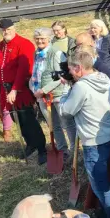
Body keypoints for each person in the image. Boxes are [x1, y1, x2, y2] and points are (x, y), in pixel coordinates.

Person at [59, 47, 110, 218]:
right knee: (102, 179)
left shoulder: (81, 87)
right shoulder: (103, 77)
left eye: (71, 69)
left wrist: (64, 94)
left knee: (100, 185)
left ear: (78, 68)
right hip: (107, 134)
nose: (69, 73)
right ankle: (104, 210)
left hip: (92, 141)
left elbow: (66, 111)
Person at [0, 19, 47, 163]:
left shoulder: (24, 44)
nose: (6, 32)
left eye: (8, 29)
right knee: (16, 120)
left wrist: (15, 89)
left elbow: (24, 69)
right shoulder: (0, 46)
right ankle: (30, 143)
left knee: (28, 119)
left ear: (14, 28)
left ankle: (42, 149)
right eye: (3, 30)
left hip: (21, 90)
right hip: (6, 90)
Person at [31, 28, 75, 160]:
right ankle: (62, 150)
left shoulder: (57, 53)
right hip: (42, 97)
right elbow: (35, 74)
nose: (40, 41)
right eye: (37, 38)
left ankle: (74, 149)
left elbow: (62, 75)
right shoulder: (36, 54)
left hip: (58, 94)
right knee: (53, 124)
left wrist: (44, 90)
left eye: (43, 38)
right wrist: (34, 90)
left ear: (49, 38)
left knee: (66, 122)